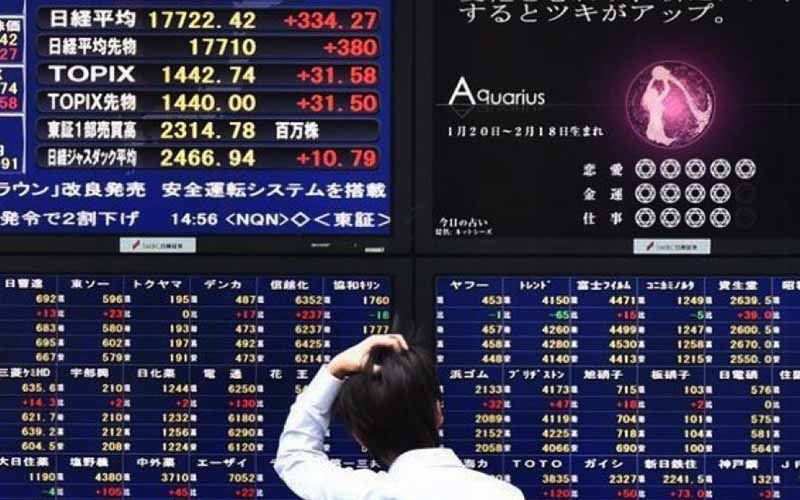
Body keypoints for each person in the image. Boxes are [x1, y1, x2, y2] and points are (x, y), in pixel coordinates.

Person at [274, 322, 525, 500]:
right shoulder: (505, 495)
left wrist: (334, 369)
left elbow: (295, 457)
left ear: (359, 436)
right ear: (438, 412)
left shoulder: (363, 493)